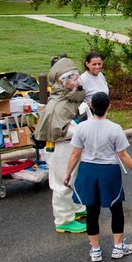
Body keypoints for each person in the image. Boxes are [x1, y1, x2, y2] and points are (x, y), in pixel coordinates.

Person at [64, 92, 132, 262]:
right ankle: (117, 247)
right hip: (109, 171)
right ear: (109, 106)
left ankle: (95, 250)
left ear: (91, 107)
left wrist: (68, 173)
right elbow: (123, 155)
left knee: (92, 211)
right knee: (116, 209)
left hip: (88, 170)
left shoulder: (82, 128)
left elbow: (75, 153)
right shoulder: (115, 128)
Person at [34, 57, 88, 233]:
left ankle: (72, 209)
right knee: (62, 183)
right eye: (72, 77)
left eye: (76, 76)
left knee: (70, 179)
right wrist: (80, 129)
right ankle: (63, 219)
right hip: (59, 148)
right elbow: (59, 130)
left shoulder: (66, 100)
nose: (76, 80)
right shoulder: (57, 105)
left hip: (68, 147)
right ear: (62, 81)